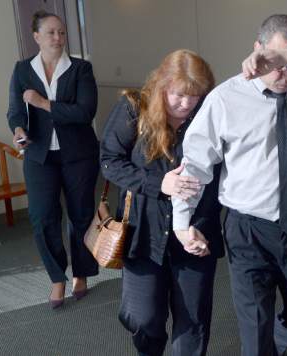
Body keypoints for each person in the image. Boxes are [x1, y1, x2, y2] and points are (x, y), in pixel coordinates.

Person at [172, 14, 287, 356]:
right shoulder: (225, 99)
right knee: (255, 337)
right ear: (256, 50)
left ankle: (273, 344)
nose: (286, 76)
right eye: (275, 62)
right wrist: (182, 224)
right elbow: (194, 166)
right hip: (248, 232)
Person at [100, 49, 224, 356]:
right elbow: (109, 161)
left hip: (195, 234)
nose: (187, 104)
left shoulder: (208, 114)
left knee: (193, 320)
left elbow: (219, 174)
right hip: (144, 234)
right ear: (162, 85)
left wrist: (198, 225)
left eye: (195, 96)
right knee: (144, 318)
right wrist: (159, 184)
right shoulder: (134, 108)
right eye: (179, 95)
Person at [7, 10, 99, 309]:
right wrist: (18, 129)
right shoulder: (22, 70)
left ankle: (82, 273)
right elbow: (15, 112)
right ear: (36, 37)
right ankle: (57, 277)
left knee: (81, 216)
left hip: (79, 155)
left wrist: (44, 103)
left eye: (61, 32)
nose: (58, 38)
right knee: (42, 217)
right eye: (51, 32)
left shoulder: (81, 69)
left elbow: (85, 113)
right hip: (39, 156)